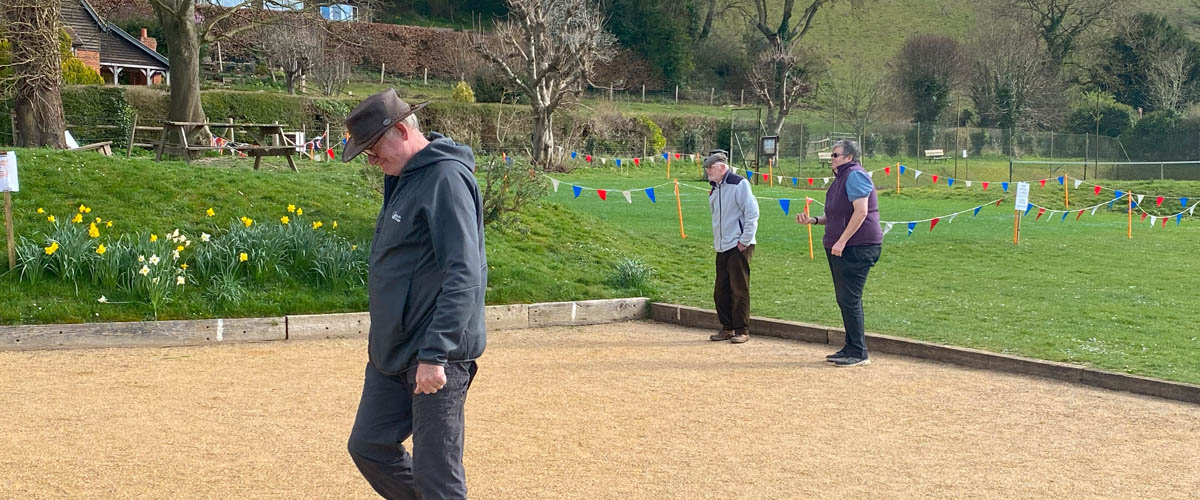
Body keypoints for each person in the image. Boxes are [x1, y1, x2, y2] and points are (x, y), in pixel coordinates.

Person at [343, 88, 487, 500]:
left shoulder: (445, 178)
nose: (371, 160)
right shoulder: (405, 177)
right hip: (394, 350)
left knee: (437, 478)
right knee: (369, 446)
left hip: (434, 353)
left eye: (372, 149)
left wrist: (435, 353)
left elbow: (465, 272)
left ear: (402, 131)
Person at [797, 139, 882, 367]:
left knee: (850, 299)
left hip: (858, 246)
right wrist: (814, 220)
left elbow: (861, 212)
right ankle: (851, 346)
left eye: (835, 155)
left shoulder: (855, 175)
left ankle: (859, 352)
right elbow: (836, 215)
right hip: (841, 245)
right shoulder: (840, 179)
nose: (831, 158)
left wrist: (843, 240)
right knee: (844, 299)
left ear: (848, 157)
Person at [704, 150, 759, 344]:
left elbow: (752, 213)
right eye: (707, 167)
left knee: (739, 288)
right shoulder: (714, 188)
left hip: (739, 244)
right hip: (722, 245)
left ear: (722, 166)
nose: (708, 171)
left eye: (711, 167)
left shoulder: (738, 184)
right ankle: (727, 327)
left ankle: (741, 330)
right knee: (721, 290)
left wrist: (744, 240)